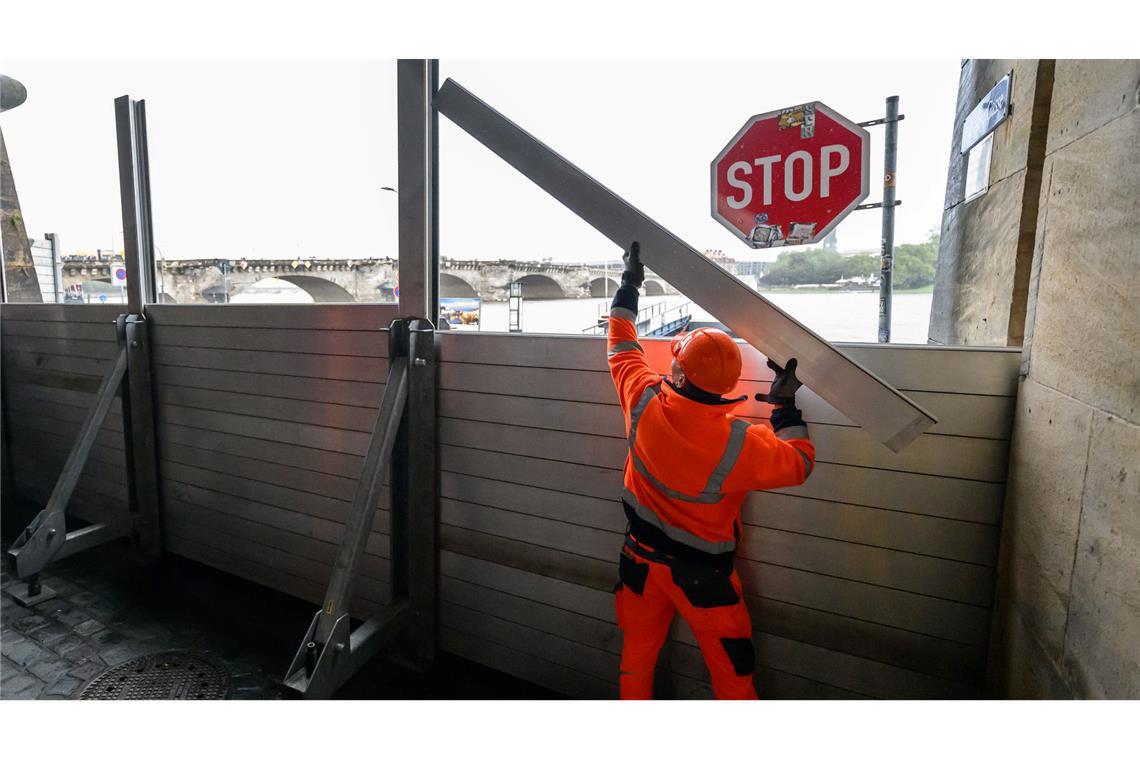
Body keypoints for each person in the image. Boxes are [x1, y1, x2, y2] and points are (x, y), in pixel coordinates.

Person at [606, 241, 815, 699]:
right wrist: (783, 407)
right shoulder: (742, 443)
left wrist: (630, 283)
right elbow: (799, 462)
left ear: (677, 373)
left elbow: (621, 343)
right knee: (733, 679)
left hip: (640, 562)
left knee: (636, 659)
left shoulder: (642, 400)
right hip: (705, 581)